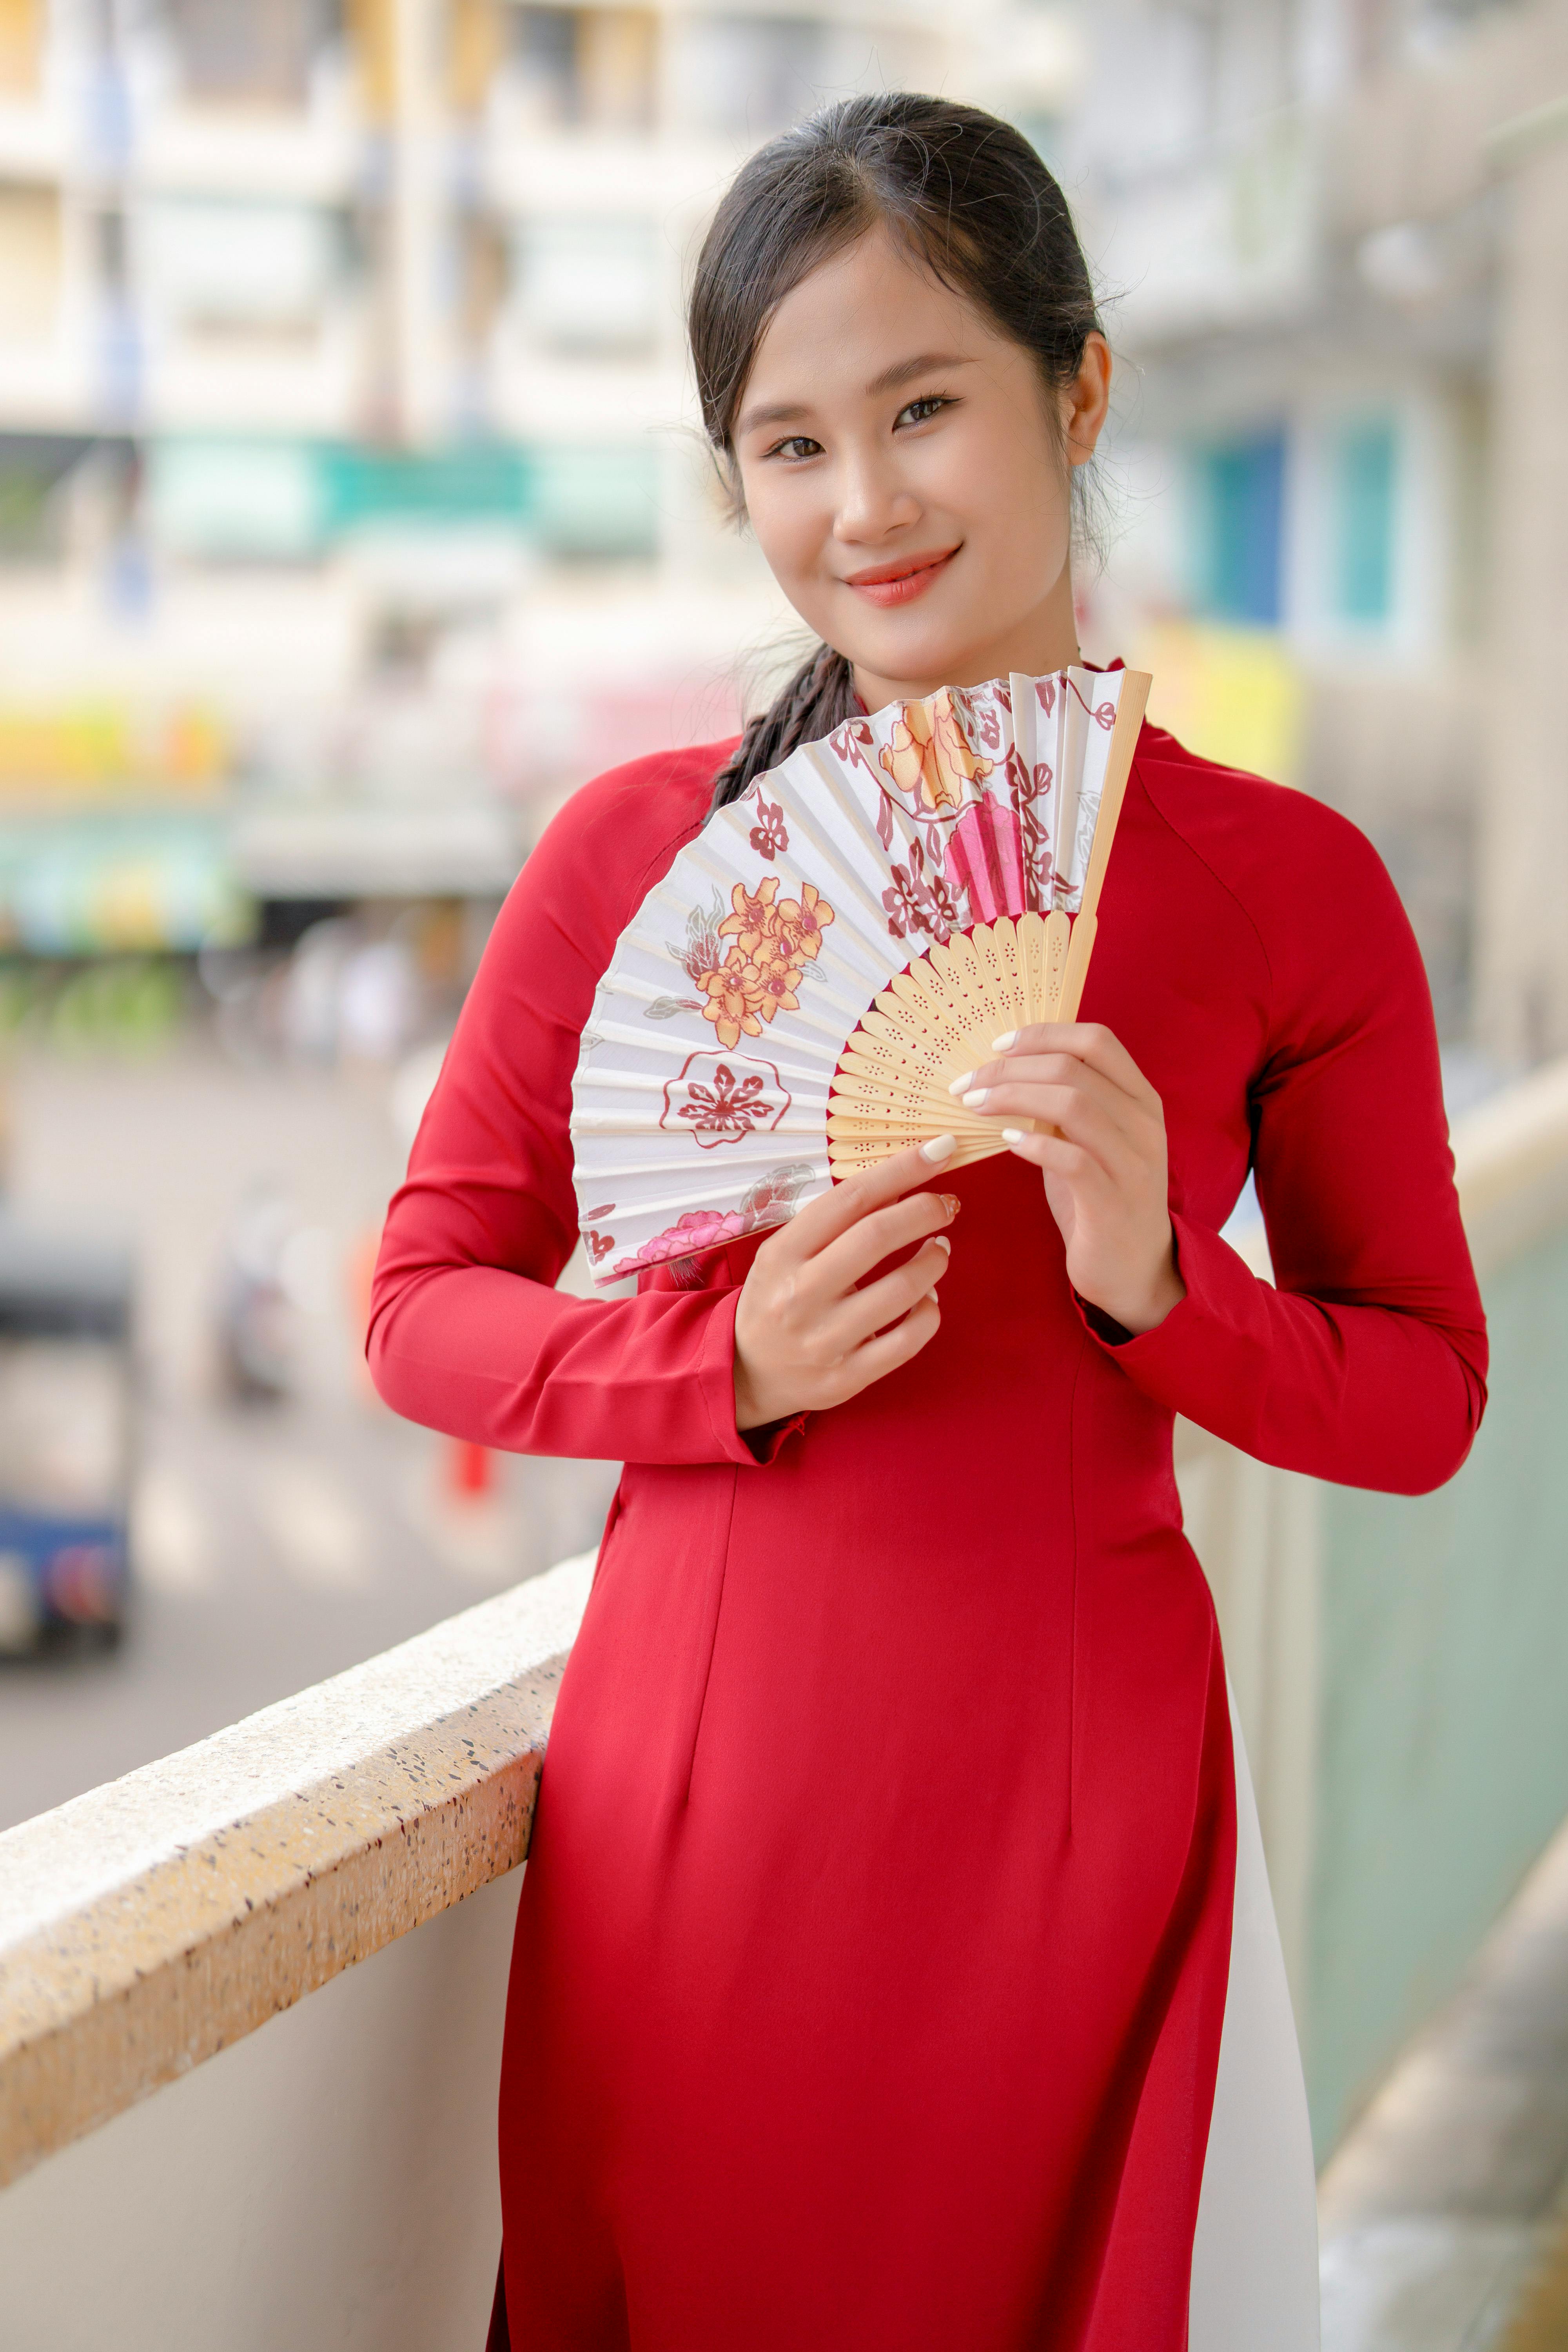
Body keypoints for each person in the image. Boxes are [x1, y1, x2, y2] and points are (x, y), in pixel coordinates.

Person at [368, 93, 1487, 2352]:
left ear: (1078, 391)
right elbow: (420, 1310)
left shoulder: (1292, 887)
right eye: (790, 445)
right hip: (696, 1808)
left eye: (922, 408)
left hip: (1070, 1819)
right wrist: (722, 1367)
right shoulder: (631, 858)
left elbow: (1429, 1401)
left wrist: (1167, 1291)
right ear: (735, 485)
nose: (862, 503)